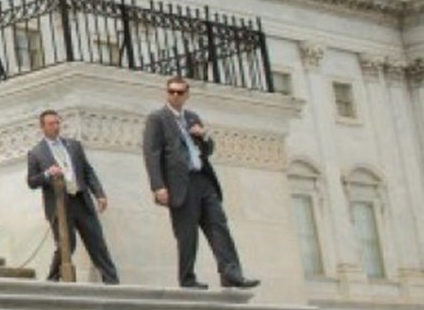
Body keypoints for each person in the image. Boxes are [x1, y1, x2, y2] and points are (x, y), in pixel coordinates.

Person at [144, 77, 258, 290]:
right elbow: (151, 153)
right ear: (166, 93)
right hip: (179, 184)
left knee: (219, 226)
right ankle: (187, 279)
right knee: (187, 235)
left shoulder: (193, 118)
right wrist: (158, 186)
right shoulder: (157, 119)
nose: (175, 95)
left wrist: (203, 136)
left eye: (179, 92)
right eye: (171, 91)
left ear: (187, 94)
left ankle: (230, 273)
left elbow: (208, 150)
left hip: (203, 180)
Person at [27, 109, 119, 284]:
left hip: (81, 201)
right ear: (42, 127)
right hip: (60, 205)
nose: (56, 127)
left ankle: (112, 282)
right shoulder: (36, 153)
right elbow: (31, 182)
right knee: (66, 245)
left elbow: (87, 171)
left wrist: (99, 194)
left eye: (57, 123)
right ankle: (52, 280)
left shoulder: (74, 145)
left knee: (97, 243)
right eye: (51, 124)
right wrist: (47, 173)